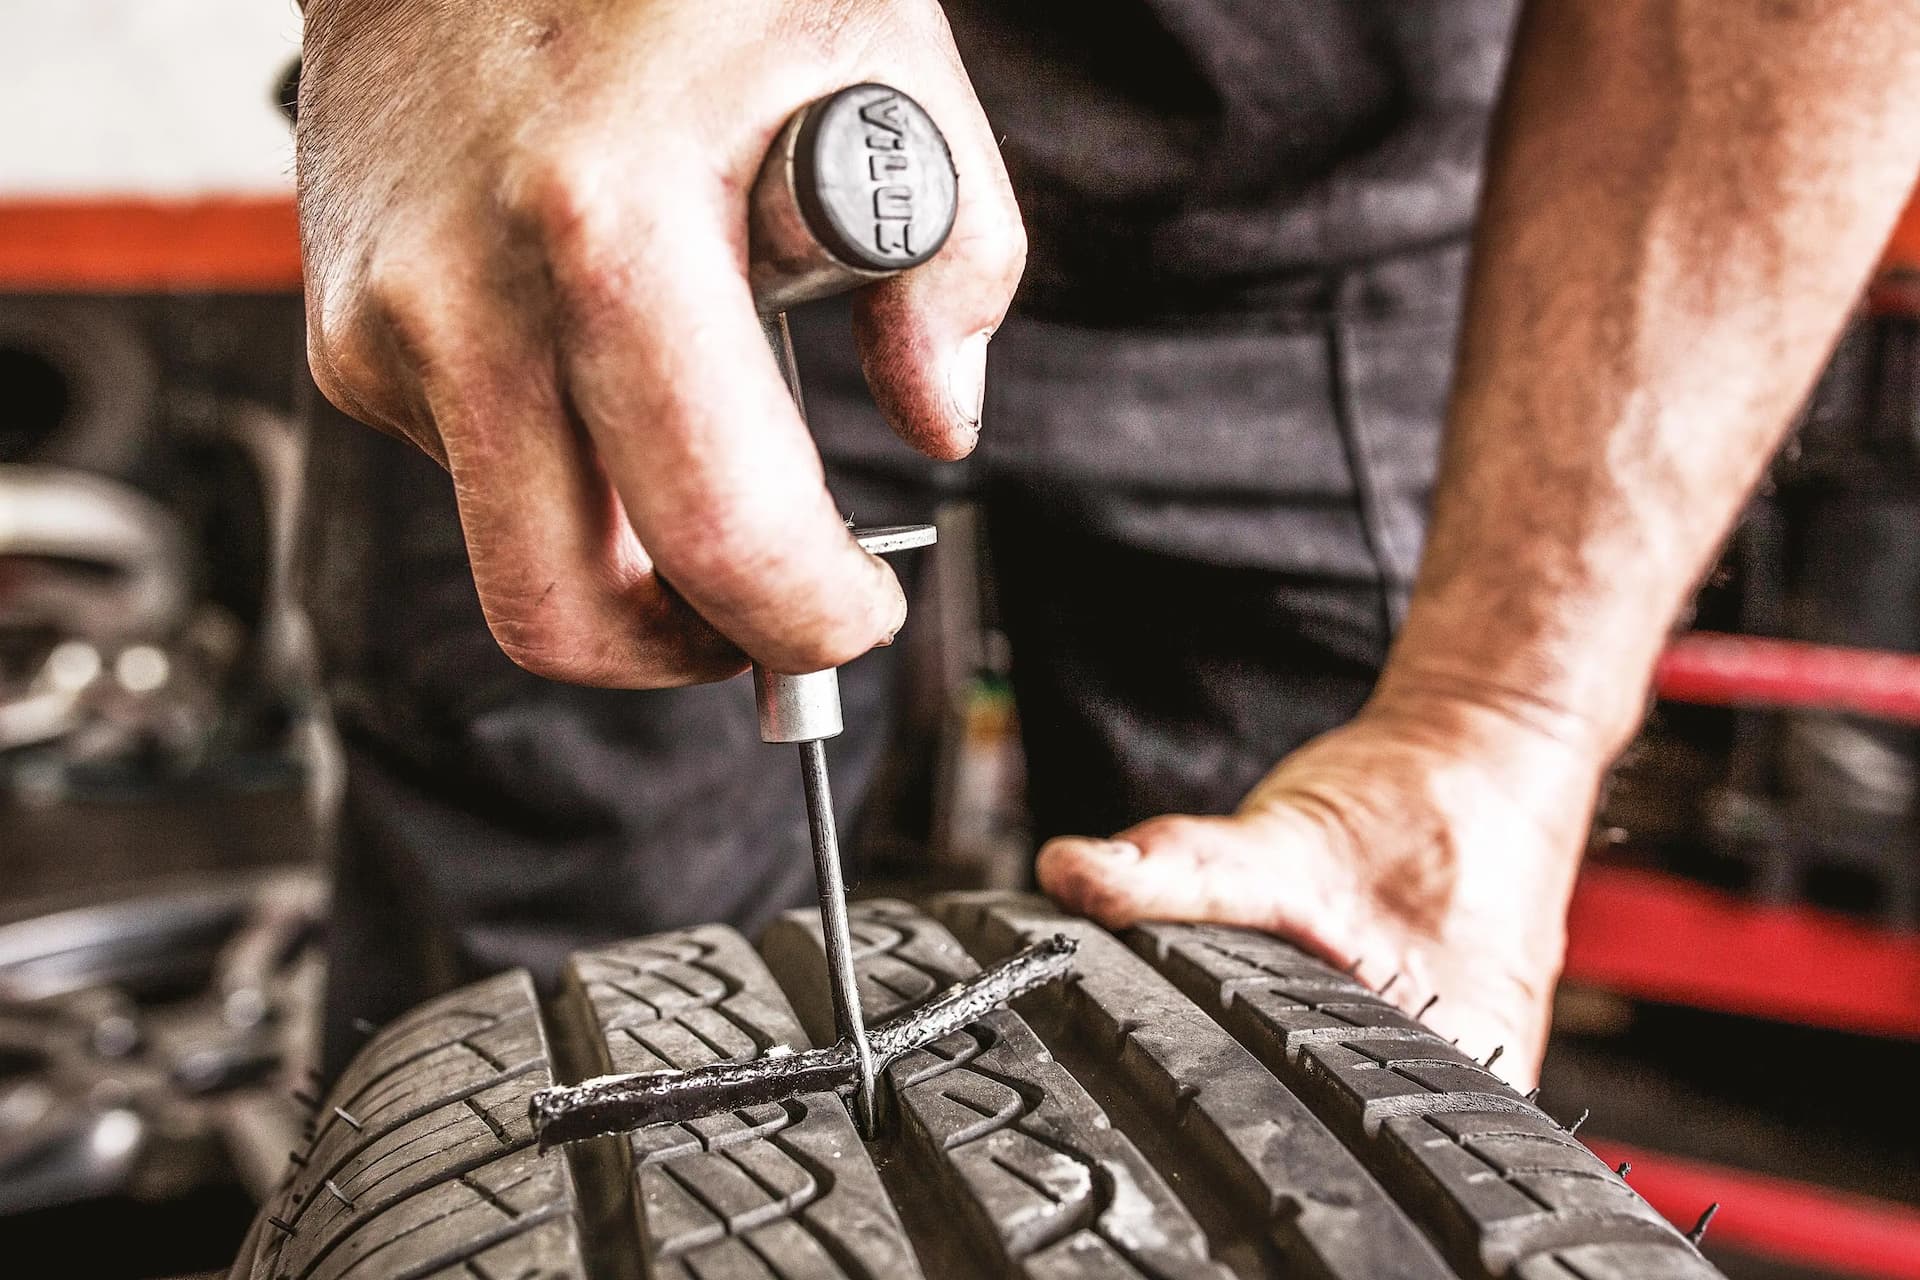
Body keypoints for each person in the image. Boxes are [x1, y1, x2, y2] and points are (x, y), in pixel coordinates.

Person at [292, 0, 1920, 1086]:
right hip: (626, 159)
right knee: (551, 1050)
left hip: (1358, 226)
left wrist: (1506, 720)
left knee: (1316, 1058)